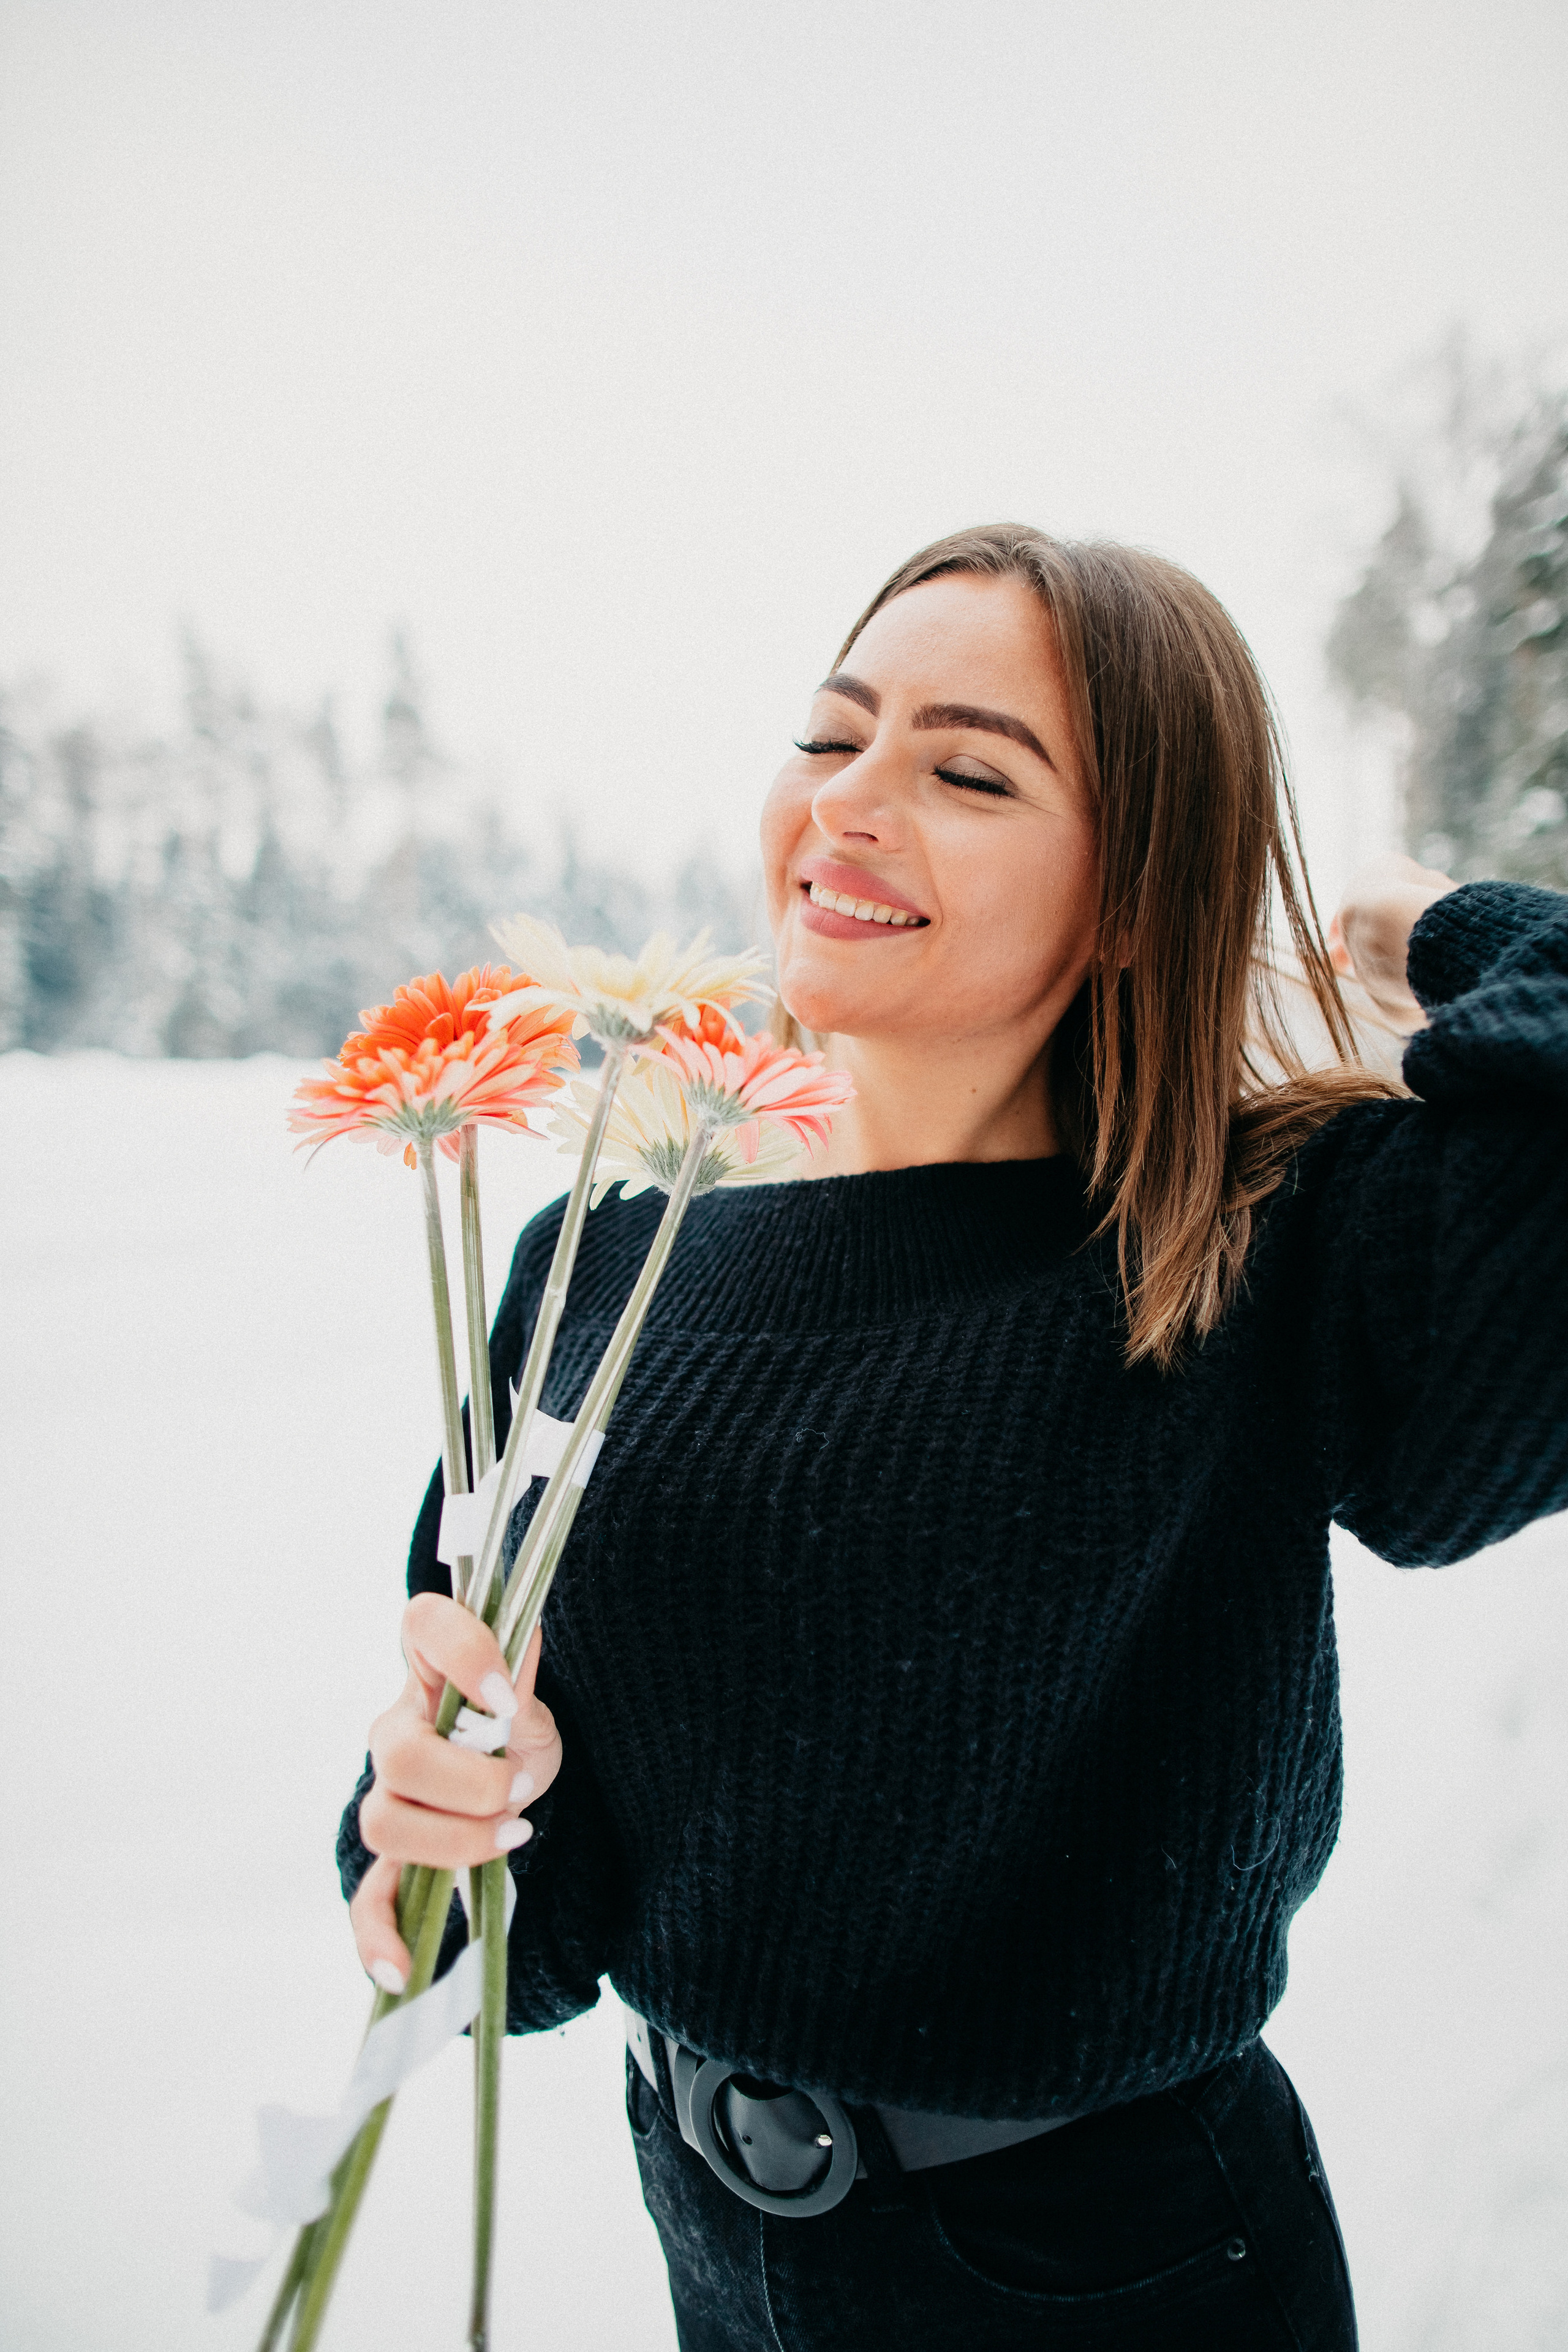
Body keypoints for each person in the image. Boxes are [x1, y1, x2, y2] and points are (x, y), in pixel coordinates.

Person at [337, 525, 1568, 2350]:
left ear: (1141, 889)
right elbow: (511, 1923)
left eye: (970, 772)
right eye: (832, 738)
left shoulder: (1264, 1242)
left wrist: (1425, 922)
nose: (850, 802)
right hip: (716, 2243)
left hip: (1116, 2274)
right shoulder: (599, 1256)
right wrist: (431, 1838)